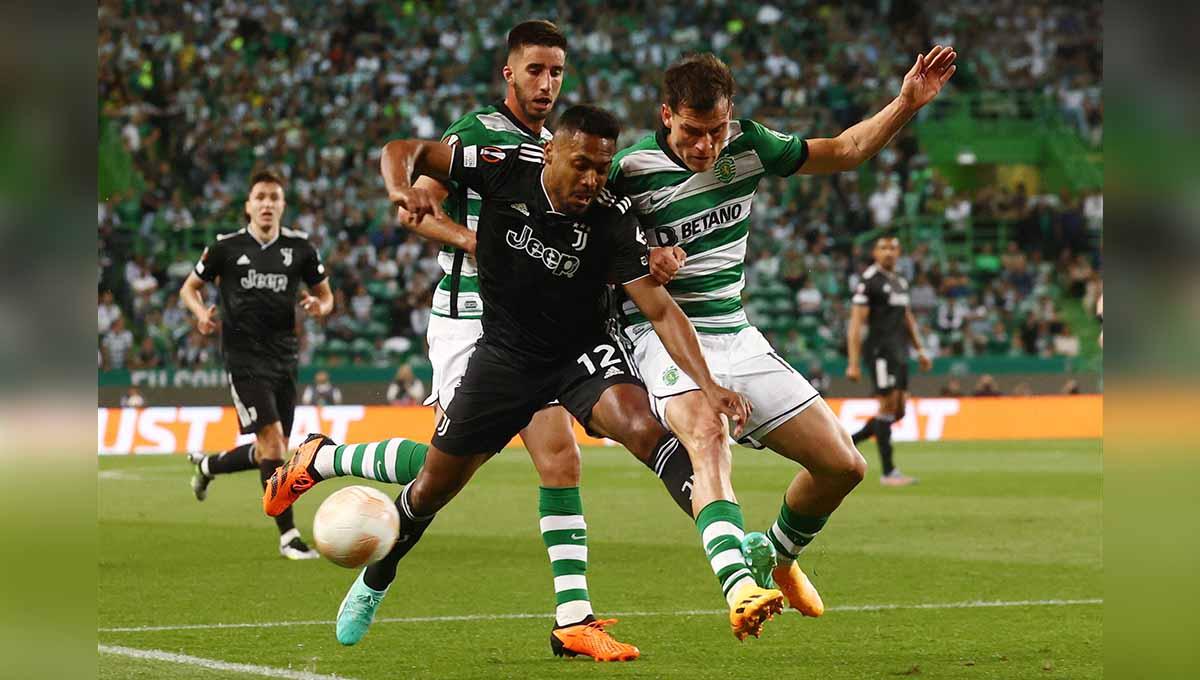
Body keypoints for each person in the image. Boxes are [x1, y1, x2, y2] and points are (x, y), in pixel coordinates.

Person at [265, 105, 768, 651]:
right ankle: (337, 487)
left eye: (602, 168)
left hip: (580, 351)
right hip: (505, 356)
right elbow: (401, 151)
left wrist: (708, 386)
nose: (592, 180)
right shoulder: (502, 163)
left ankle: (700, 578)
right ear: (550, 152)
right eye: (582, 165)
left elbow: (662, 310)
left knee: (636, 436)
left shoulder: (610, 213)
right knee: (435, 481)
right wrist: (398, 191)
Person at [302, 21, 698, 659]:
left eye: (557, 72)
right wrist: (474, 241)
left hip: (539, 329)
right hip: (469, 318)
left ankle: (573, 618)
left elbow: (606, 234)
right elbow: (422, 209)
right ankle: (349, 511)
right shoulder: (479, 137)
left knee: (559, 458)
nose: (547, 83)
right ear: (508, 73)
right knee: (440, 476)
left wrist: (657, 252)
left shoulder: (565, 148)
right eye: (536, 71)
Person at [606, 48, 954, 616]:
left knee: (844, 466)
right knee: (706, 430)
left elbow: (844, 151)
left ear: (731, 115)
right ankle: (740, 585)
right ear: (666, 114)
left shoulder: (748, 145)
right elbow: (588, 241)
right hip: (657, 332)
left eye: (716, 131)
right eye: (693, 132)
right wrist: (642, 254)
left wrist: (906, 103)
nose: (706, 147)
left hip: (733, 332)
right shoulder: (627, 170)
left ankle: (775, 555)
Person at [180, 169, 333, 559]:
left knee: (273, 447)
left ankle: (209, 466)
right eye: (260, 197)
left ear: (283, 205)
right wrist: (200, 314)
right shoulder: (225, 248)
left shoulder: (300, 249)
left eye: (274, 197)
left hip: (285, 357)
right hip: (243, 357)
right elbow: (189, 288)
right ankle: (289, 537)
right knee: (272, 442)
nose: (267, 204)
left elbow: (326, 296)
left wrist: (320, 306)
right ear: (248, 205)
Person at [847, 236, 934, 487]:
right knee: (886, 408)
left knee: (899, 411)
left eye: (893, 248)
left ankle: (846, 444)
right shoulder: (869, 282)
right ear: (875, 252)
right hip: (880, 351)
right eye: (883, 248)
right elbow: (856, 323)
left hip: (899, 352)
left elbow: (906, 317)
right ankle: (889, 473)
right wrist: (853, 362)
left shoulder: (899, 282)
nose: (889, 253)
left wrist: (920, 349)